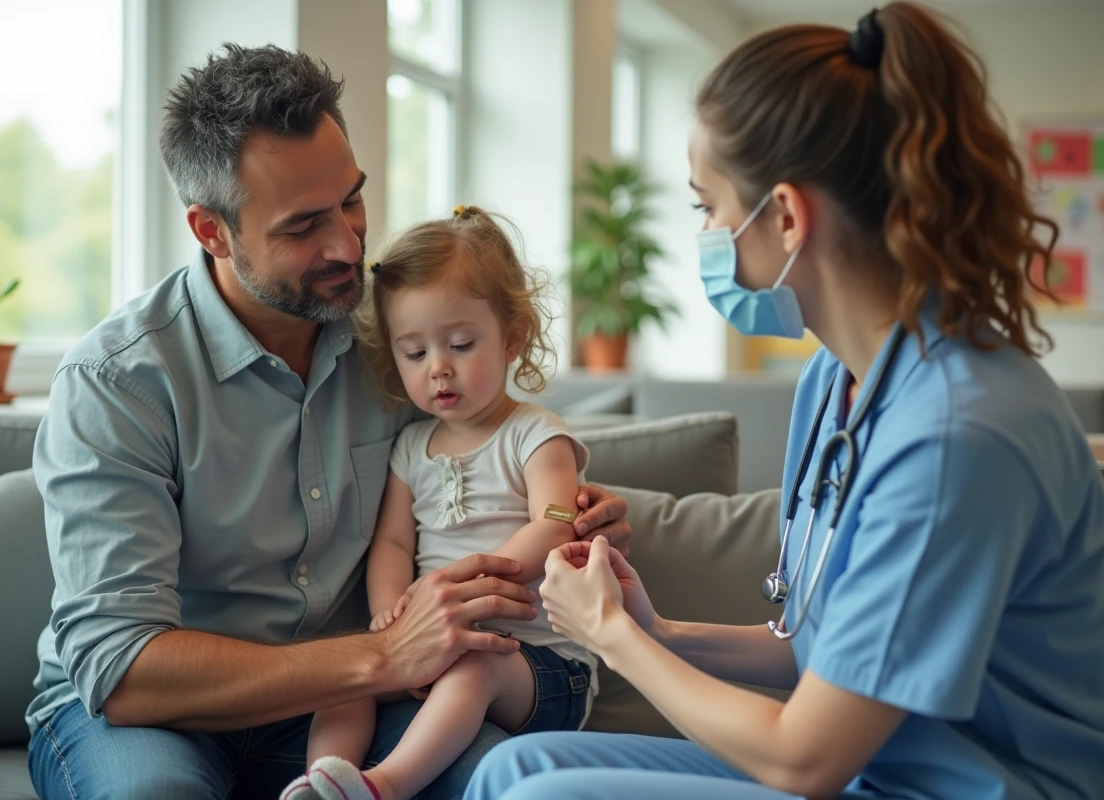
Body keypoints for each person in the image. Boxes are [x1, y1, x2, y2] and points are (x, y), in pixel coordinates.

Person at [465, 4, 1104, 799]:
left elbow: (808, 759)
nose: (706, 232)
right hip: (884, 772)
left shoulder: (956, 435)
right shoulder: (835, 382)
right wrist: (654, 629)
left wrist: (613, 640)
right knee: (519, 766)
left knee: (542, 797)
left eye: (708, 208)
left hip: (977, 787)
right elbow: (829, 648)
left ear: (788, 216)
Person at [24, 44, 630, 800]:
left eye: (352, 199)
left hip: (346, 703)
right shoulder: (116, 385)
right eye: (304, 224)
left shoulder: (397, 346)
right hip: (160, 719)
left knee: (503, 786)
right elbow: (123, 671)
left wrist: (567, 508)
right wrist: (382, 655)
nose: (347, 245)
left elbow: (477, 448)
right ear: (212, 231)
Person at [281, 206, 598, 800]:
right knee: (346, 673)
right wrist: (389, 620)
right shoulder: (411, 445)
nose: (439, 369)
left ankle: (384, 786)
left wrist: (454, 587)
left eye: (460, 343)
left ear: (512, 337)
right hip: (431, 644)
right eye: (415, 353)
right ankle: (325, 781)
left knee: (473, 670)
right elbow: (394, 543)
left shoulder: (536, 435)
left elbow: (555, 527)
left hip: (535, 665)